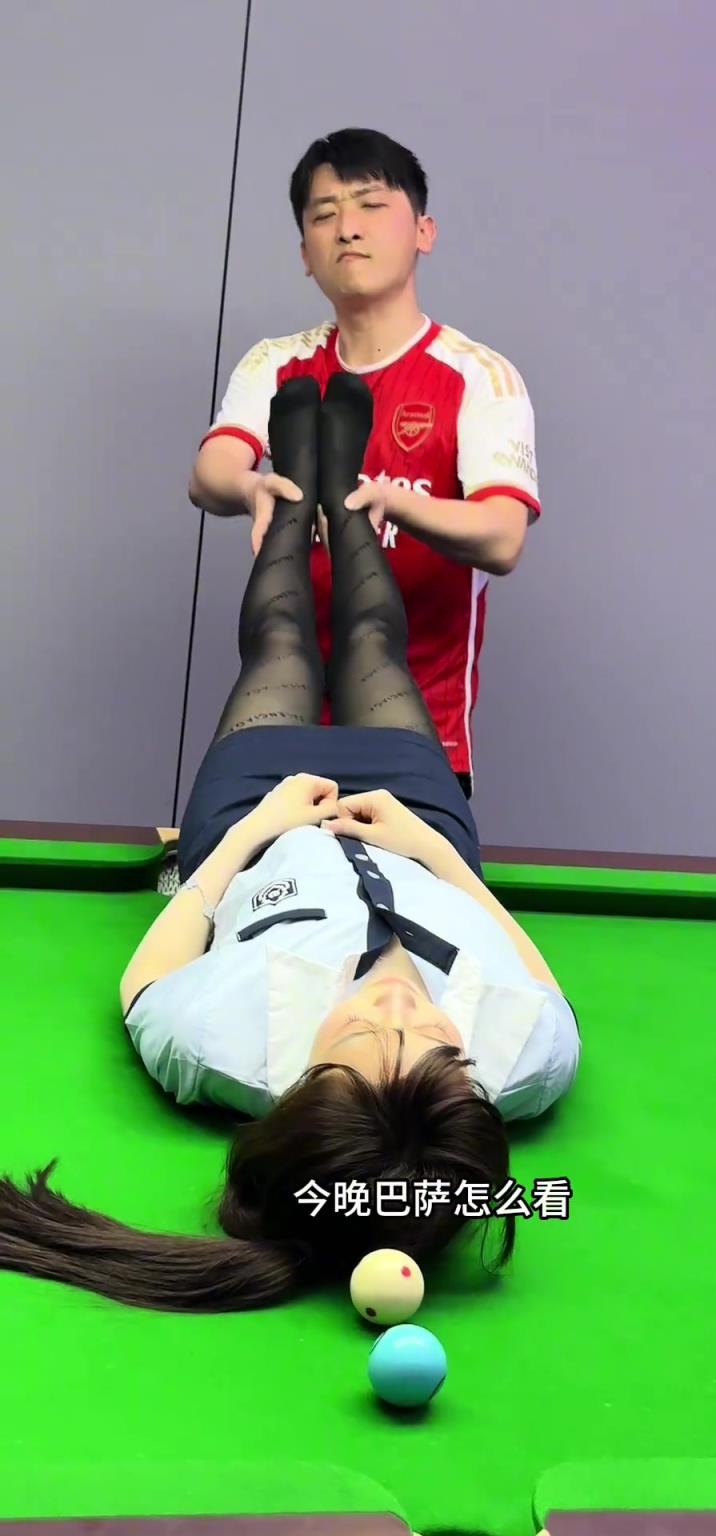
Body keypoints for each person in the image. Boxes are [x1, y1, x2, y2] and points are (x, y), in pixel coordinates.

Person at [0, 373, 579, 1314]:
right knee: (374, 644)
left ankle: (297, 490)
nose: (399, 1005)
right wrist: (436, 854)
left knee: (279, 640)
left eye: (362, 1039)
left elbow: (144, 981)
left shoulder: (221, 1048)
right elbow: (539, 987)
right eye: (435, 1046)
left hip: (257, 821)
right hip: (418, 825)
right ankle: (344, 485)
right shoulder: (521, 1066)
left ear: (306, 1086)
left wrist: (252, 831)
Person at [189, 126, 542, 799]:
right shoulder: (277, 363)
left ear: (424, 232)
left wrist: (391, 501)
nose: (348, 228)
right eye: (324, 214)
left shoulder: (478, 376)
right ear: (305, 253)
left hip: (419, 731)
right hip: (280, 722)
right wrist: (251, 488)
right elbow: (209, 474)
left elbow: (502, 537)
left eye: (371, 206)